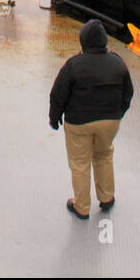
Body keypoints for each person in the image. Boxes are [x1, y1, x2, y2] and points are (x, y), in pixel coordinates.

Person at [49, 18, 135, 220]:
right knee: (104, 156)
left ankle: (82, 206)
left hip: (79, 122)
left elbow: (58, 94)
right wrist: (118, 113)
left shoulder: (74, 65)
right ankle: (106, 197)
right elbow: (128, 92)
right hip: (109, 121)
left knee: (80, 163)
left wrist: (55, 118)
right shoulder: (117, 62)